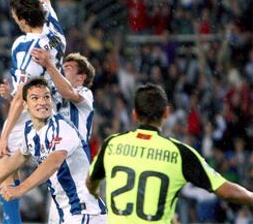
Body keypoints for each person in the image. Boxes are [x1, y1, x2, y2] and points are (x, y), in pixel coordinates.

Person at [87, 83, 253, 223]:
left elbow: (90, 182)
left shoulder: (112, 144)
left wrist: (96, 195)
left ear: (135, 114)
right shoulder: (180, 153)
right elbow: (226, 190)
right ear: (166, 113)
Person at [0, 0, 66, 223]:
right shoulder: (54, 31)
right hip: (54, 106)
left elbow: (20, 100)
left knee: (3, 164)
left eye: (15, 17)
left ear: (23, 21)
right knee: (56, 170)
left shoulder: (25, 46)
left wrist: (4, 135)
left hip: (31, 109)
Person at [0, 77, 106, 223]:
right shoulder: (30, 132)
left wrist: (20, 189)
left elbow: (54, 162)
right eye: (35, 98)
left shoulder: (62, 128)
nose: (42, 102)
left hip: (85, 213)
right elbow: (20, 157)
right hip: (68, 214)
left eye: (46, 97)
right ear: (25, 105)